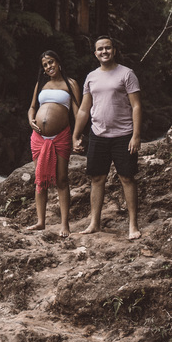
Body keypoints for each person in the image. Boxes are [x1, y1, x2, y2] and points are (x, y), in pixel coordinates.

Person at [72, 35, 143, 239]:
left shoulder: (127, 74)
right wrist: (76, 135)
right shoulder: (91, 77)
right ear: (95, 54)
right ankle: (94, 223)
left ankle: (133, 225)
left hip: (123, 135)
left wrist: (136, 136)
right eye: (100, 49)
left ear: (114, 50)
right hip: (98, 134)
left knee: (127, 178)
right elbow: (85, 109)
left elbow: (136, 106)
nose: (104, 52)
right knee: (97, 178)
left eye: (108, 48)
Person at [25, 50, 80, 237]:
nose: (49, 67)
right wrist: (31, 119)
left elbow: (77, 113)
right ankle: (41, 222)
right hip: (38, 138)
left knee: (62, 180)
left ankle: (65, 224)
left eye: (51, 62)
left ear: (58, 62)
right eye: (45, 65)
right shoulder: (41, 84)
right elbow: (32, 107)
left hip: (60, 136)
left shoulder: (70, 84)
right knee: (40, 180)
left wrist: (77, 136)